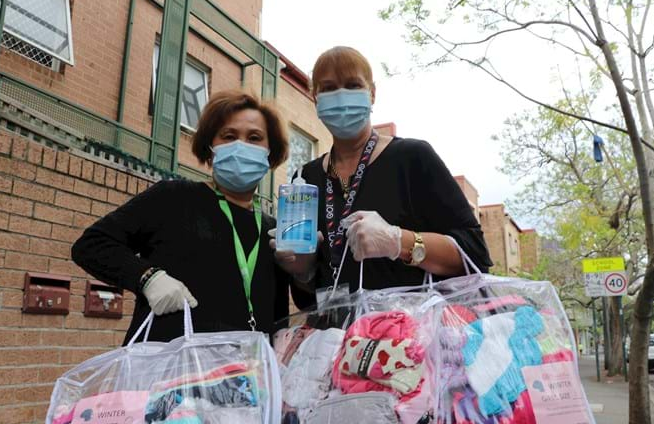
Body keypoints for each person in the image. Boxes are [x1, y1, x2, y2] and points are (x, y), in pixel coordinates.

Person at [273, 46, 492, 304]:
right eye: (329, 88)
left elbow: (474, 255)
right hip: (336, 337)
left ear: (372, 94)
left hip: (410, 335)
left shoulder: (412, 158)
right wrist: (303, 271)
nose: (341, 95)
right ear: (315, 98)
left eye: (353, 85)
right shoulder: (305, 179)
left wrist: (399, 242)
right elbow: (307, 299)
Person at [72, 90, 290, 342]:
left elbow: (277, 317)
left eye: (254, 138)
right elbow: (91, 245)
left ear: (270, 152)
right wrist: (147, 278)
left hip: (244, 376)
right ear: (210, 148)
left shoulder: (273, 230)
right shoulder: (173, 197)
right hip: (166, 372)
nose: (241, 145)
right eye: (229, 136)